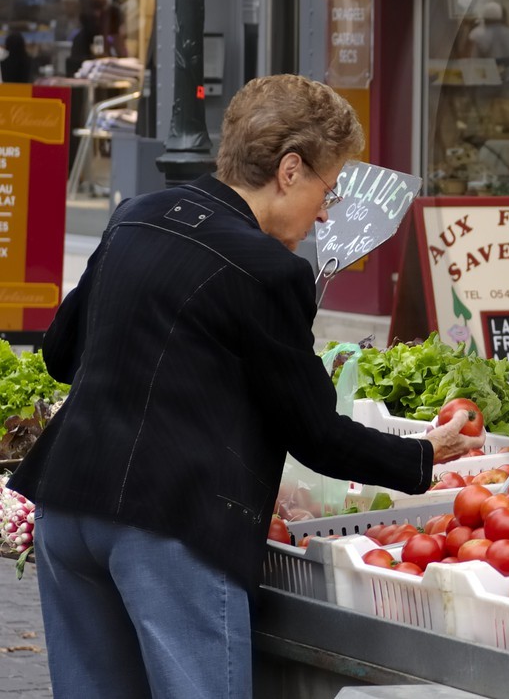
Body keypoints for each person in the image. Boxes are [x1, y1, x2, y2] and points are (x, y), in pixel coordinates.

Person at [10, 74, 484, 699]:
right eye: (328, 186)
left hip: (69, 506)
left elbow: (61, 354)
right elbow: (314, 433)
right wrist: (425, 453)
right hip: (170, 525)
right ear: (290, 170)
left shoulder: (137, 215)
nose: (327, 209)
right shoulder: (269, 270)